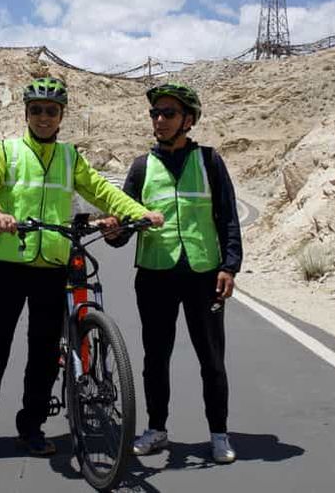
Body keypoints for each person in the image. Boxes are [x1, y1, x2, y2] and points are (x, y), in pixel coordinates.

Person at [0, 77, 164, 467]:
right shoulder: (7, 150)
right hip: (10, 266)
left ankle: (31, 428)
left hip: (52, 268)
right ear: (26, 114)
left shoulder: (70, 157)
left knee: (44, 353)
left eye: (51, 111)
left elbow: (101, 190)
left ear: (61, 115)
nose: (44, 117)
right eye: (37, 111)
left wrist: (138, 212)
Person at [107, 82, 243, 464]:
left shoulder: (211, 161)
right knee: (156, 356)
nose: (160, 120)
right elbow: (125, 228)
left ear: (189, 119)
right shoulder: (140, 167)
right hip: (155, 275)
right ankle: (157, 430)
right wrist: (115, 230)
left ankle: (219, 434)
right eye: (155, 114)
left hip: (203, 273)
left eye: (168, 113)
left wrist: (230, 266)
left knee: (211, 358)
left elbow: (228, 218)